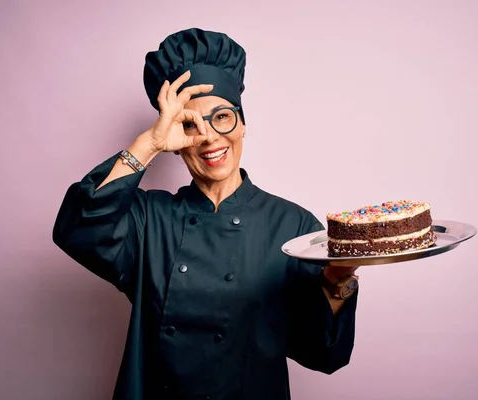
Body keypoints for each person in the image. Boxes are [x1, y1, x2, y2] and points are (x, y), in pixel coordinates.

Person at [52, 27, 360, 400]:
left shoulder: (293, 227)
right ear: (176, 140)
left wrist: (338, 278)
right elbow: (79, 227)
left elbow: (324, 352)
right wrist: (148, 143)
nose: (210, 137)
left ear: (243, 123)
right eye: (189, 124)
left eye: (222, 117)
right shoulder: (149, 220)